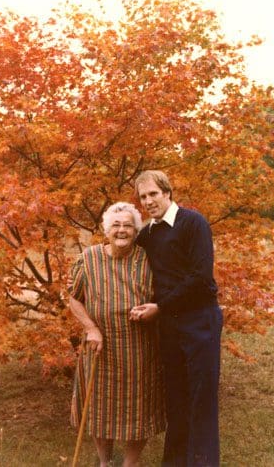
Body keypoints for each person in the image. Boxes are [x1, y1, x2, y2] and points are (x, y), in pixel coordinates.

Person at [131, 170, 223, 467]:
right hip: (170, 325)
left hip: (200, 320)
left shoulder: (193, 223)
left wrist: (159, 305)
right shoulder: (147, 234)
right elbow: (120, 253)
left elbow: (200, 277)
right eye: (143, 197)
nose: (148, 201)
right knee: (177, 398)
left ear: (167, 192)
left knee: (201, 397)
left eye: (153, 194)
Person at [69, 202, 166, 467]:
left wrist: (155, 310)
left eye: (128, 226)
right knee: (99, 407)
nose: (121, 230)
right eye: (116, 225)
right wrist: (91, 329)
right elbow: (74, 299)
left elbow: (165, 298)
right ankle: (104, 462)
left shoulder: (148, 259)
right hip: (100, 346)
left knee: (138, 409)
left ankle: (130, 463)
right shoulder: (88, 259)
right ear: (105, 229)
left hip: (139, 348)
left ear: (136, 231)